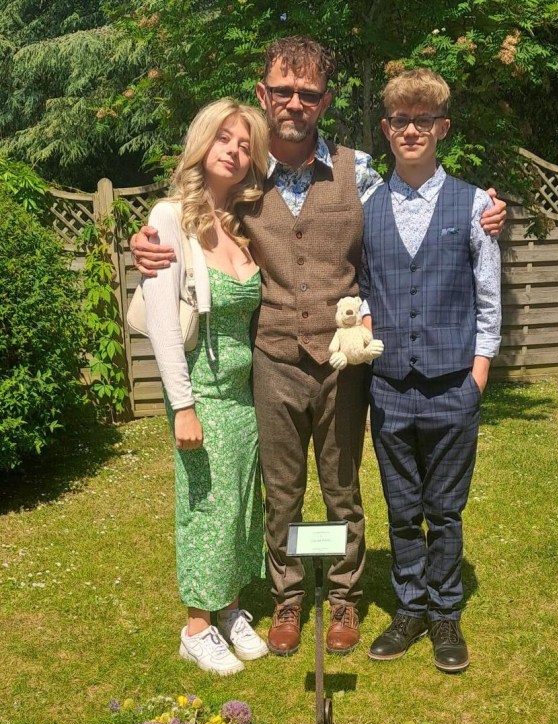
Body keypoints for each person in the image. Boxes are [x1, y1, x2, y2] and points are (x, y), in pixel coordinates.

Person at [131, 36, 507, 659]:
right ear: (264, 95)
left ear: (325, 101)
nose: (295, 104)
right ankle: (285, 596)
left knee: (341, 487)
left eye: (308, 94)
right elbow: (190, 211)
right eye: (283, 91)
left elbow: (419, 197)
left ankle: (342, 597)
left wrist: (490, 208)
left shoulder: (358, 172)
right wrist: (148, 244)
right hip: (272, 358)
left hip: (345, 363)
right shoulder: (246, 177)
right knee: (281, 487)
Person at [361, 68, 502, 673]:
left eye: (423, 120)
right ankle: (409, 607)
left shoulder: (474, 205)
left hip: (452, 386)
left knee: (444, 509)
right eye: (400, 120)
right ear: (387, 130)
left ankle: (445, 612)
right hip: (389, 387)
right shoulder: (366, 204)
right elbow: (363, 289)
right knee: (400, 508)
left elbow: (489, 295)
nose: (411, 130)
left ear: (442, 128)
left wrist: (478, 375)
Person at [142, 97, 270, 676]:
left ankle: (230, 610)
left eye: (245, 145)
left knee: (241, 506)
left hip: (246, 397)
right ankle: (197, 624)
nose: (235, 152)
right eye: (225, 140)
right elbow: (165, 323)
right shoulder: (171, 219)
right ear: (202, 143)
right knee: (205, 508)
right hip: (205, 392)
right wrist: (182, 407)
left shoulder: (242, 223)